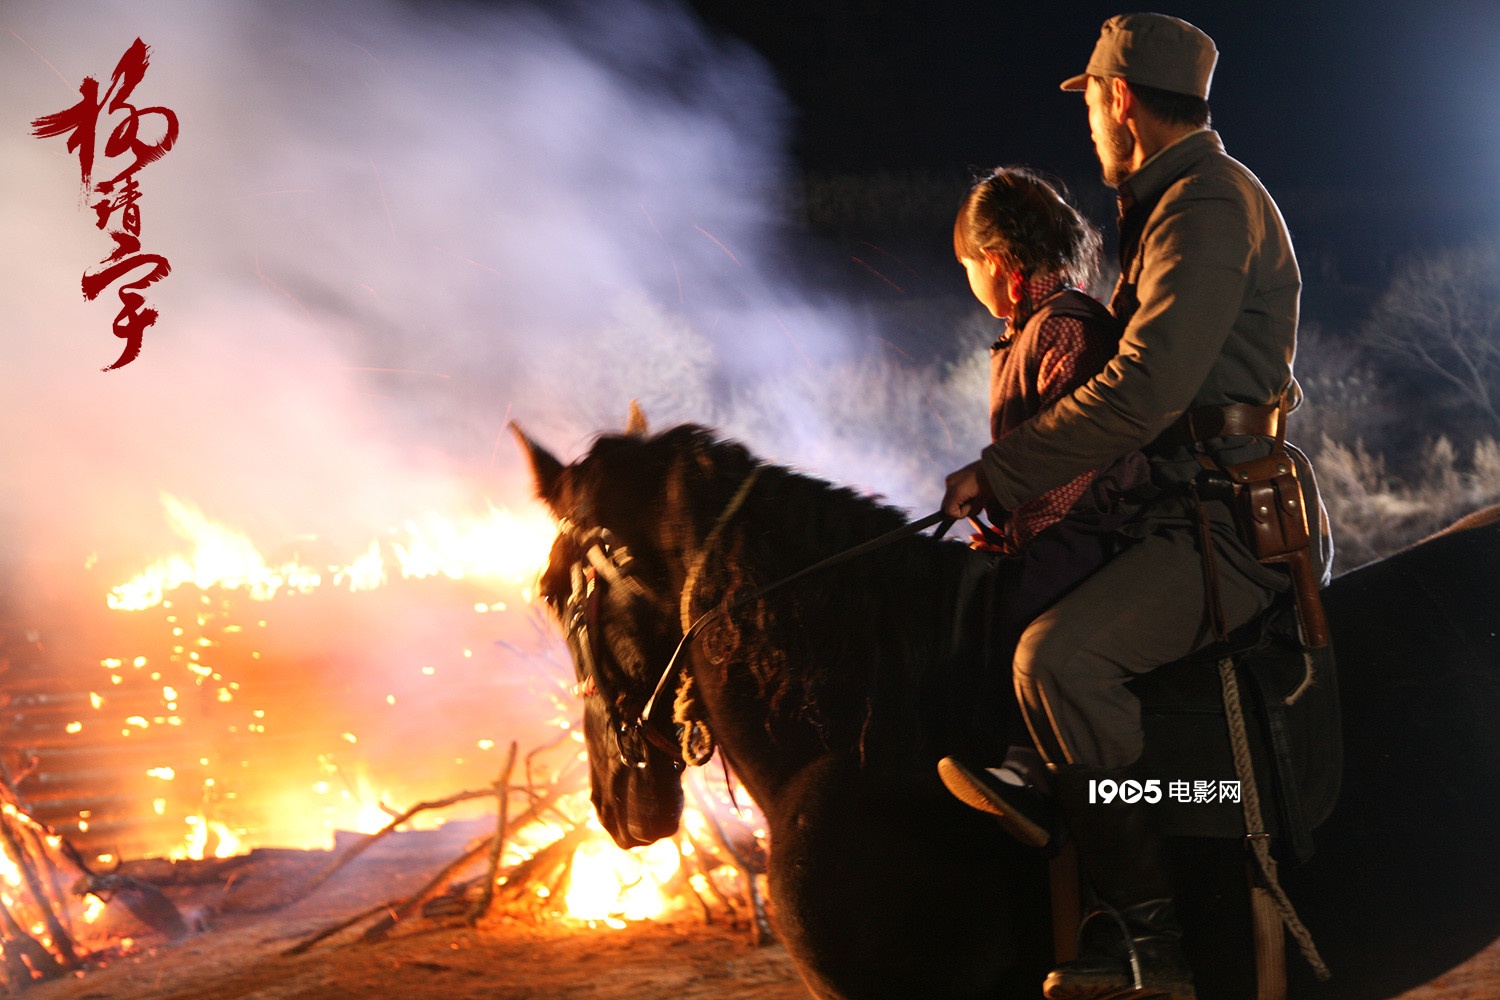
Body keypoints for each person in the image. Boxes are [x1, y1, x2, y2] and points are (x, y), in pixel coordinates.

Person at [938, 13, 1330, 1000]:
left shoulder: (1203, 203)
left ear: (1119, 100)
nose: (1092, 134)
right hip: (1180, 506)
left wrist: (1006, 471)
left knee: (1058, 659)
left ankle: (1150, 939)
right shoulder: (1174, 202)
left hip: (1225, 523)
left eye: (1093, 109)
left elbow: (1148, 389)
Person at [938, 166, 1146, 849]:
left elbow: (1075, 459)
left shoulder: (1065, 330)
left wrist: (1012, 518)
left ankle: (1027, 769)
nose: (968, 279)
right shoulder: (1026, 332)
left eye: (968, 264)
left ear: (995, 262)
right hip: (1054, 527)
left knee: (1015, 608)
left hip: (1089, 527)